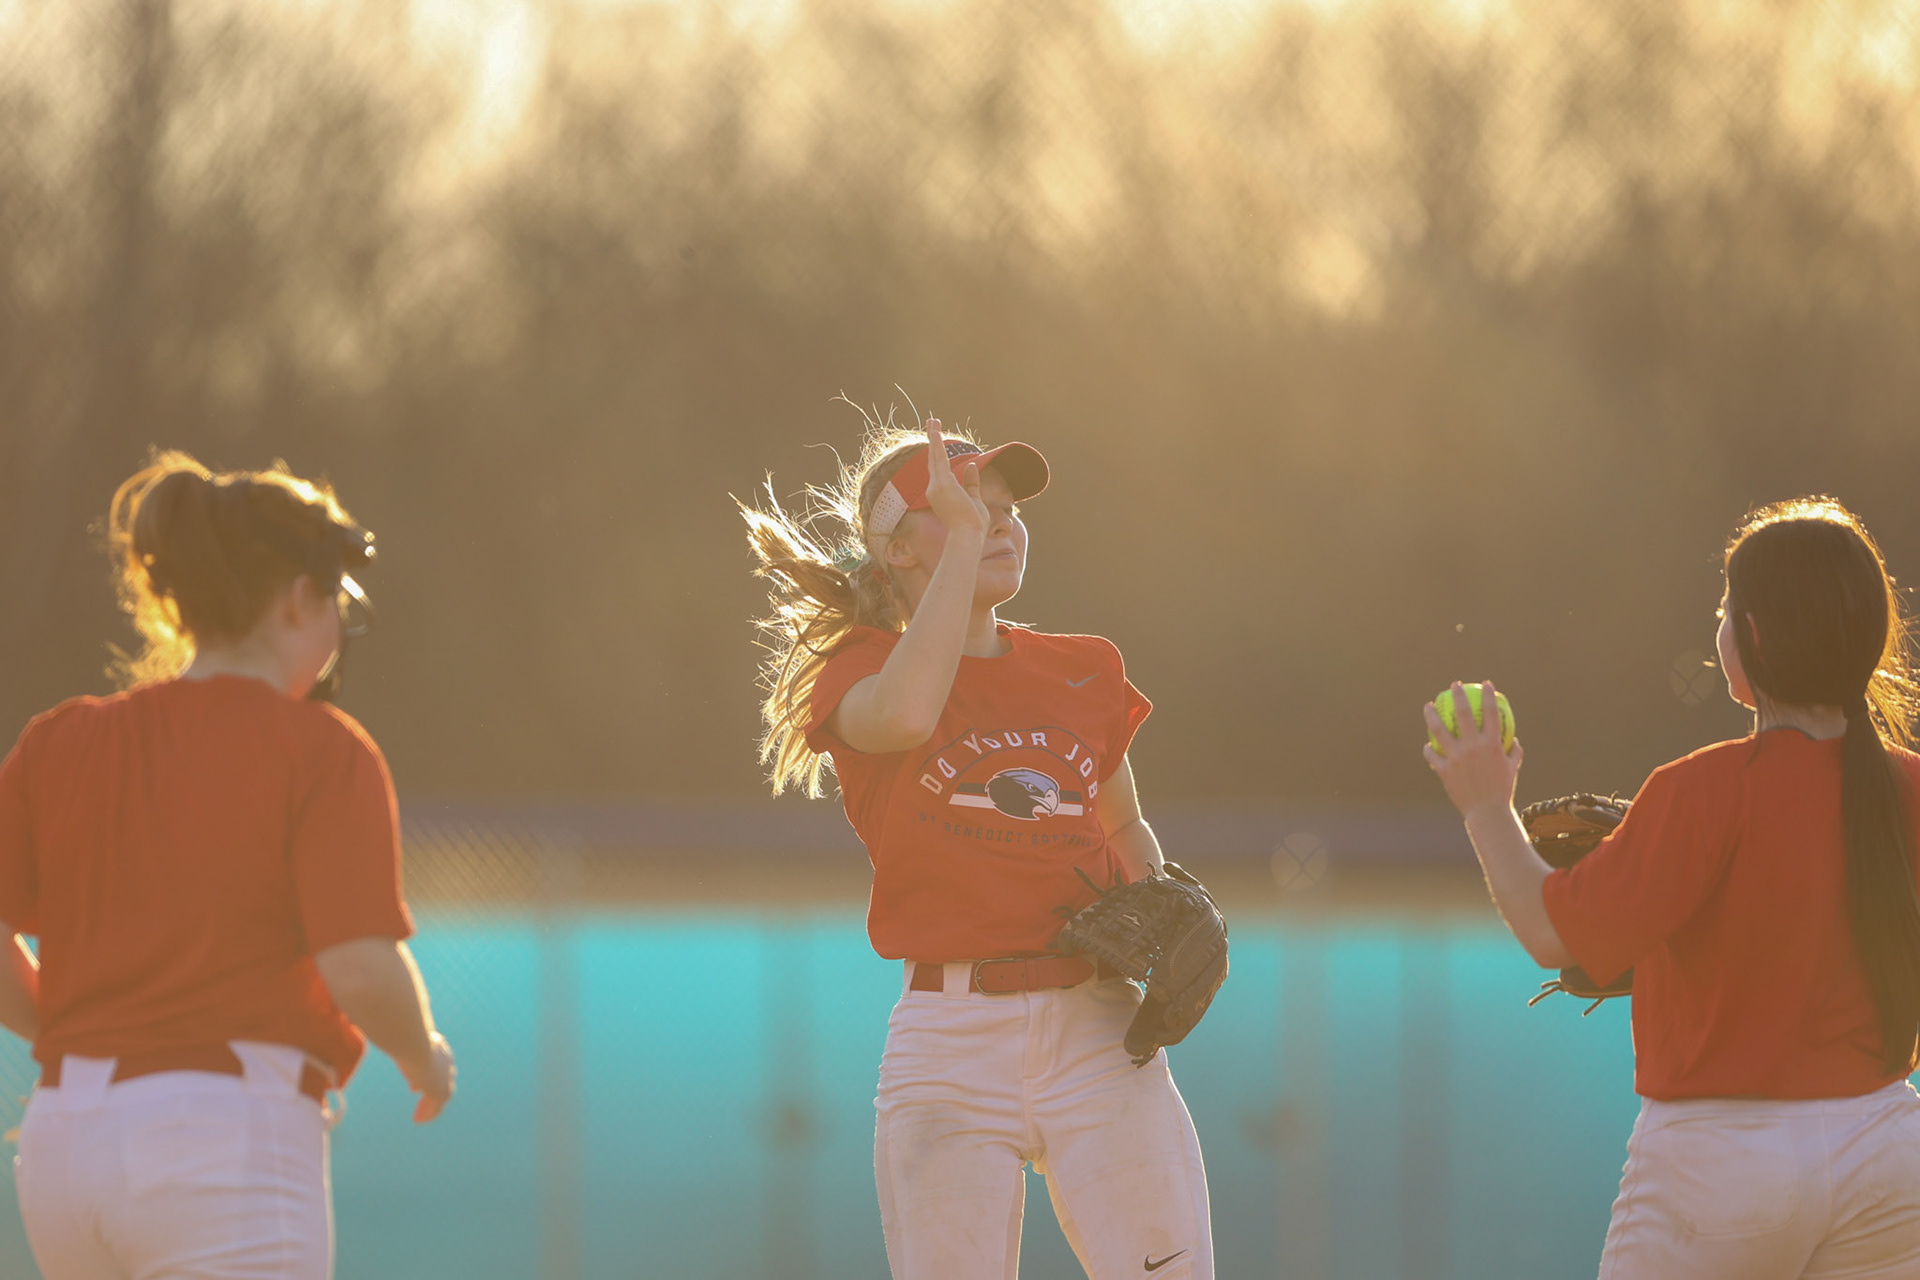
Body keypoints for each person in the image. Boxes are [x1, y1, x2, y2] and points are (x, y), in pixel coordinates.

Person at [742, 416, 1213, 1279]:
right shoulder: (859, 670)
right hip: (950, 1040)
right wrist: (964, 548)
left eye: (1003, 508)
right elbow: (910, 714)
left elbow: (1119, 824)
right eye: (962, 507)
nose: (996, 522)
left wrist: (1169, 911)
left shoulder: (1085, 667)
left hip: (1098, 1027)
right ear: (896, 550)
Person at [1426, 497, 1920, 1279]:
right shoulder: (1906, 789)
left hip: (1722, 1165)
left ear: (1752, 635)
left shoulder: (1703, 790)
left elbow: (1553, 935)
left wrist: (1487, 805)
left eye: (1727, 609)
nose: (1719, 626)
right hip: (1890, 1153)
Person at [0, 451, 456, 1280]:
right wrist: (423, 1054)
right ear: (296, 599)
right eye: (335, 609)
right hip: (222, 1142)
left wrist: (84, 1034)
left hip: (63, 1146)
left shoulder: (58, 740)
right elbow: (357, 967)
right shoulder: (320, 750)